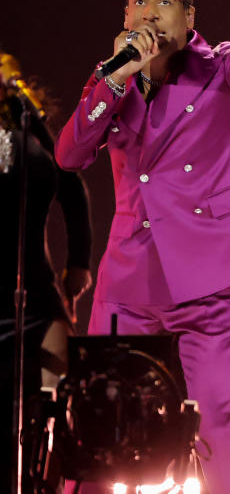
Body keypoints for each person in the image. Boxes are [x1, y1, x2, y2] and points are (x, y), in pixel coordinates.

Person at [55, 0, 230, 493]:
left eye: (165, 2)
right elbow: (68, 154)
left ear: (189, 19)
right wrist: (112, 81)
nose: (150, 12)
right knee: (97, 432)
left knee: (216, 428)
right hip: (129, 286)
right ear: (125, 18)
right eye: (139, 2)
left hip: (208, 285)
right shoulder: (112, 83)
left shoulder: (220, 70)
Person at [1, 53, 93, 492]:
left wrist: (79, 261)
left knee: (56, 407)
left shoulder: (24, 127)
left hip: (36, 293)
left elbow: (71, 185)